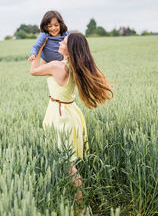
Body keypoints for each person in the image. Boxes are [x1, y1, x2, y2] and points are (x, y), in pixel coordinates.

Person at [29, 33, 113, 204]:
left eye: (64, 41)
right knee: (68, 162)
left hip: (60, 115)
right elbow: (50, 67)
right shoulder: (72, 66)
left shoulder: (57, 66)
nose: (60, 42)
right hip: (69, 112)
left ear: (70, 48)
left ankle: (80, 205)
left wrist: (38, 47)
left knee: (68, 165)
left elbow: (33, 70)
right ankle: (77, 201)